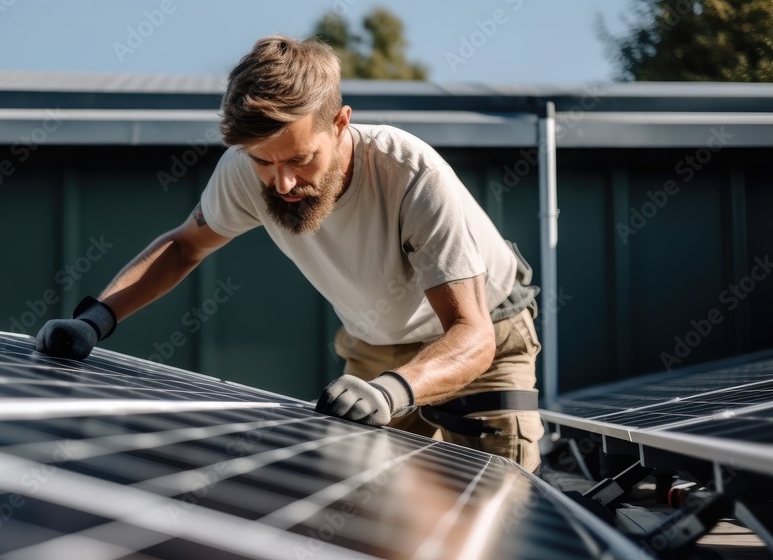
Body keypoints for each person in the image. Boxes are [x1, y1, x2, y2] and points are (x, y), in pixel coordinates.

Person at [35, 35, 544, 472]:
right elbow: (183, 246)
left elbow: (471, 335)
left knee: (493, 515)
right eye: (264, 162)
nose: (282, 183)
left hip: (483, 339)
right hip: (373, 344)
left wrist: (392, 392)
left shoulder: (409, 175)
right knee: (370, 513)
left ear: (341, 123)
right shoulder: (245, 170)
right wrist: (95, 321)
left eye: (301, 159)